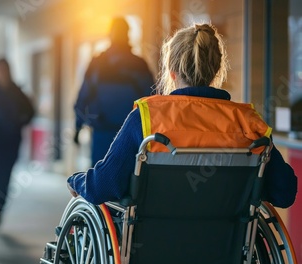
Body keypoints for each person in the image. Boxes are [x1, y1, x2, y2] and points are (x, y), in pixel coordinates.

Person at [67, 23, 297, 209]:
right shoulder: (248, 123)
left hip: (149, 243)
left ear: (172, 72)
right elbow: (284, 194)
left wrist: (76, 180)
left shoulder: (148, 118)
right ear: (217, 71)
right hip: (225, 246)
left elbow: (102, 187)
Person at [73, 17, 155, 166]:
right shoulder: (139, 64)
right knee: (131, 182)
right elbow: (152, 100)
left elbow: (84, 96)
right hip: (132, 135)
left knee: (100, 180)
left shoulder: (98, 63)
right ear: (128, 34)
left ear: (110, 34)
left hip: (102, 133)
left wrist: (77, 128)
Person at [0, 58, 35, 227]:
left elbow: (30, 111)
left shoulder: (16, 91)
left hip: (11, 141)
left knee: (5, 175)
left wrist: (20, 121)